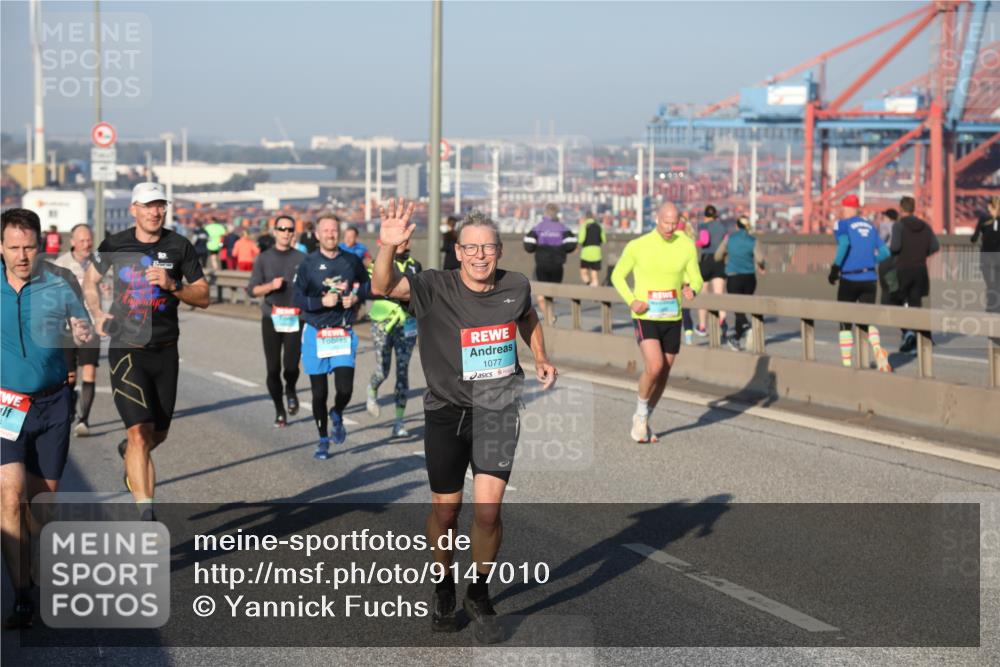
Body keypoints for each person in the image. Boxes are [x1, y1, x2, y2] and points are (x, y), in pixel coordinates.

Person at [371, 200, 556, 644]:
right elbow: (383, 286)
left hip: (497, 408)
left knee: (489, 511)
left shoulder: (516, 285)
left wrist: (542, 357)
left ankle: (479, 590)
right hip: (445, 412)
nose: (479, 255)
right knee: (447, 509)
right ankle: (442, 584)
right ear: (458, 252)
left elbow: (527, 317)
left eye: (488, 248)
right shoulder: (434, 286)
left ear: (499, 251)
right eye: (471, 248)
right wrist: (385, 247)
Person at [83, 182, 210, 521]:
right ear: (134, 209)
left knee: (158, 433)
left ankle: (131, 455)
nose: (155, 212)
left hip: (166, 351)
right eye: (148, 206)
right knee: (139, 431)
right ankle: (146, 513)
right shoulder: (115, 243)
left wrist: (173, 285)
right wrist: (97, 313)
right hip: (128, 348)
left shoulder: (179, 246)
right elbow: (89, 280)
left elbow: (204, 295)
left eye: (160, 206)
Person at [2, 208, 93, 629]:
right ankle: (22, 596)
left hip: (54, 403)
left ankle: (38, 574)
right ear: (1, 247)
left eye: (29, 247)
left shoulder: (59, 284)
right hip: (6, 406)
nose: (22, 255)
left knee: (42, 508)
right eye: (14, 247)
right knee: (10, 498)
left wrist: (83, 333)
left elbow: (84, 327)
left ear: (41, 246)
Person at [612, 202, 703, 443]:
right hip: (646, 316)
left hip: (672, 317)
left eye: (675, 223)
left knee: (664, 372)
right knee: (654, 365)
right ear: (657, 219)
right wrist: (632, 301)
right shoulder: (638, 246)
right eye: (666, 223)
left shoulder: (685, 244)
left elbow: (696, 277)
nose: (670, 228)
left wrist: (692, 289)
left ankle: (646, 417)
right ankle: (640, 416)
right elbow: (617, 276)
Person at [293, 213, 369, 460]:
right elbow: (296, 298)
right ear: (317, 234)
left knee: (345, 389)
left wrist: (356, 297)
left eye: (334, 230)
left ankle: (337, 412)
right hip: (316, 332)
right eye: (325, 230)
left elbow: (367, 284)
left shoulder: (351, 260)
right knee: (319, 394)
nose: (330, 234)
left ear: (339, 232)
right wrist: (320, 301)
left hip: (342, 332)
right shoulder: (308, 263)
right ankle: (323, 438)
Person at [247, 215, 306, 427]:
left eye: (290, 229)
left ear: (294, 233)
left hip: (295, 317)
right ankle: (280, 410)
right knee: (273, 369)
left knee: (290, 366)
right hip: (271, 317)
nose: (286, 233)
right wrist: (271, 286)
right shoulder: (263, 258)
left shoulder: (302, 258)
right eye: (282, 229)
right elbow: (252, 290)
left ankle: (291, 388)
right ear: (274, 232)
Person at [828, 194, 892, 371]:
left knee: (845, 322)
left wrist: (835, 268)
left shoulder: (841, 224)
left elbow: (844, 244)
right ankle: (878, 351)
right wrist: (871, 260)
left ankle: (847, 364)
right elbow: (885, 252)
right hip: (870, 278)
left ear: (845, 208)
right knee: (868, 320)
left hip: (849, 278)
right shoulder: (871, 227)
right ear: (858, 208)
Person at [366, 237, 422, 437]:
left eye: (407, 241)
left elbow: (420, 294)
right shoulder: (377, 264)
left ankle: (399, 422)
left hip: (406, 324)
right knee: (383, 370)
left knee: (402, 372)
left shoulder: (415, 266)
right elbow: (371, 291)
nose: (404, 244)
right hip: (383, 322)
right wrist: (397, 294)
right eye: (400, 241)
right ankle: (372, 391)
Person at [52, 223, 101, 436]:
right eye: (81, 240)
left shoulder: (98, 263)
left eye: (89, 239)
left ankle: (84, 420)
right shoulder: (61, 264)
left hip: (90, 325)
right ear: (72, 242)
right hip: (66, 328)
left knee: (89, 370)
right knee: (70, 376)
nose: (86, 244)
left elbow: (108, 290)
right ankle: (70, 406)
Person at [892, 196, 940, 354]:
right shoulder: (925, 226)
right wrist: (922, 254)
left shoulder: (898, 226)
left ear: (901, 208)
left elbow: (895, 247)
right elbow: (935, 246)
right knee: (916, 304)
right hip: (920, 270)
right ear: (913, 208)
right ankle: (924, 336)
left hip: (903, 269)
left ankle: (908, 333)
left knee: (895, 302)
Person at [714, 215, 765, 350]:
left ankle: (747, 328)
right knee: (743, 308)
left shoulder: (729, 239)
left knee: (738, 309)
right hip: (749, 279)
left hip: (734, 277)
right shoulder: (753, 240)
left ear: (737, 226)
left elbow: (717, 255)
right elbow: (760, 259)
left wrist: (726, 255)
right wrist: (761, 266)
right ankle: (736, 339)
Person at [523, 203, 577, 321]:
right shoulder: (562, 227)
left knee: (540, 292)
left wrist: (535, 247)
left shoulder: (539, 227)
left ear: (545, 213)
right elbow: (571, 243)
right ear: (557, 214)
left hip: (542, 264)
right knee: (551, 292)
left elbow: (528, 243)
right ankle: (550, 313)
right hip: (558, 265)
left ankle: (549, 316)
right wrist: (561, 249)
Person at [695, 205, 727, 338]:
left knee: (703, 295)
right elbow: (726, 242)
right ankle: (722, 321)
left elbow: (704, 240)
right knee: (719, 294)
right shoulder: (722, 227)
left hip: (706, 260)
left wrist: (695, 243)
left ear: (705, 215)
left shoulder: (703, 225)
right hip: (719, 261)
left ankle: (702, 327)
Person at [972, 197, 1000, 313]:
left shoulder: (983, 219)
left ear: (989, 206)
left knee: (990, 285)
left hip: (986, 258)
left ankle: (991, 308)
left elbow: (974, 239)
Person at [877, 208, 901, 306]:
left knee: (885, 289)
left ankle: (885, 315)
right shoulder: (900, 226)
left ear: (888, 217)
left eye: (885, 216)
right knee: (895, 288)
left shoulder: (885, 225)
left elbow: (881, 239)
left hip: (886, 259)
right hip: (898, 260)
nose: (883, 218)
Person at [577, 211, 606, 287]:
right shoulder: (599, 226)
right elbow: (604, 239)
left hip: (586, 253)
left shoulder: (584, 226)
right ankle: (595, 291)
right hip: (597, 252)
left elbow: (581, 240)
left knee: (583, 272)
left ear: (586, 218)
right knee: (594, 273)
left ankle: (589, 284)